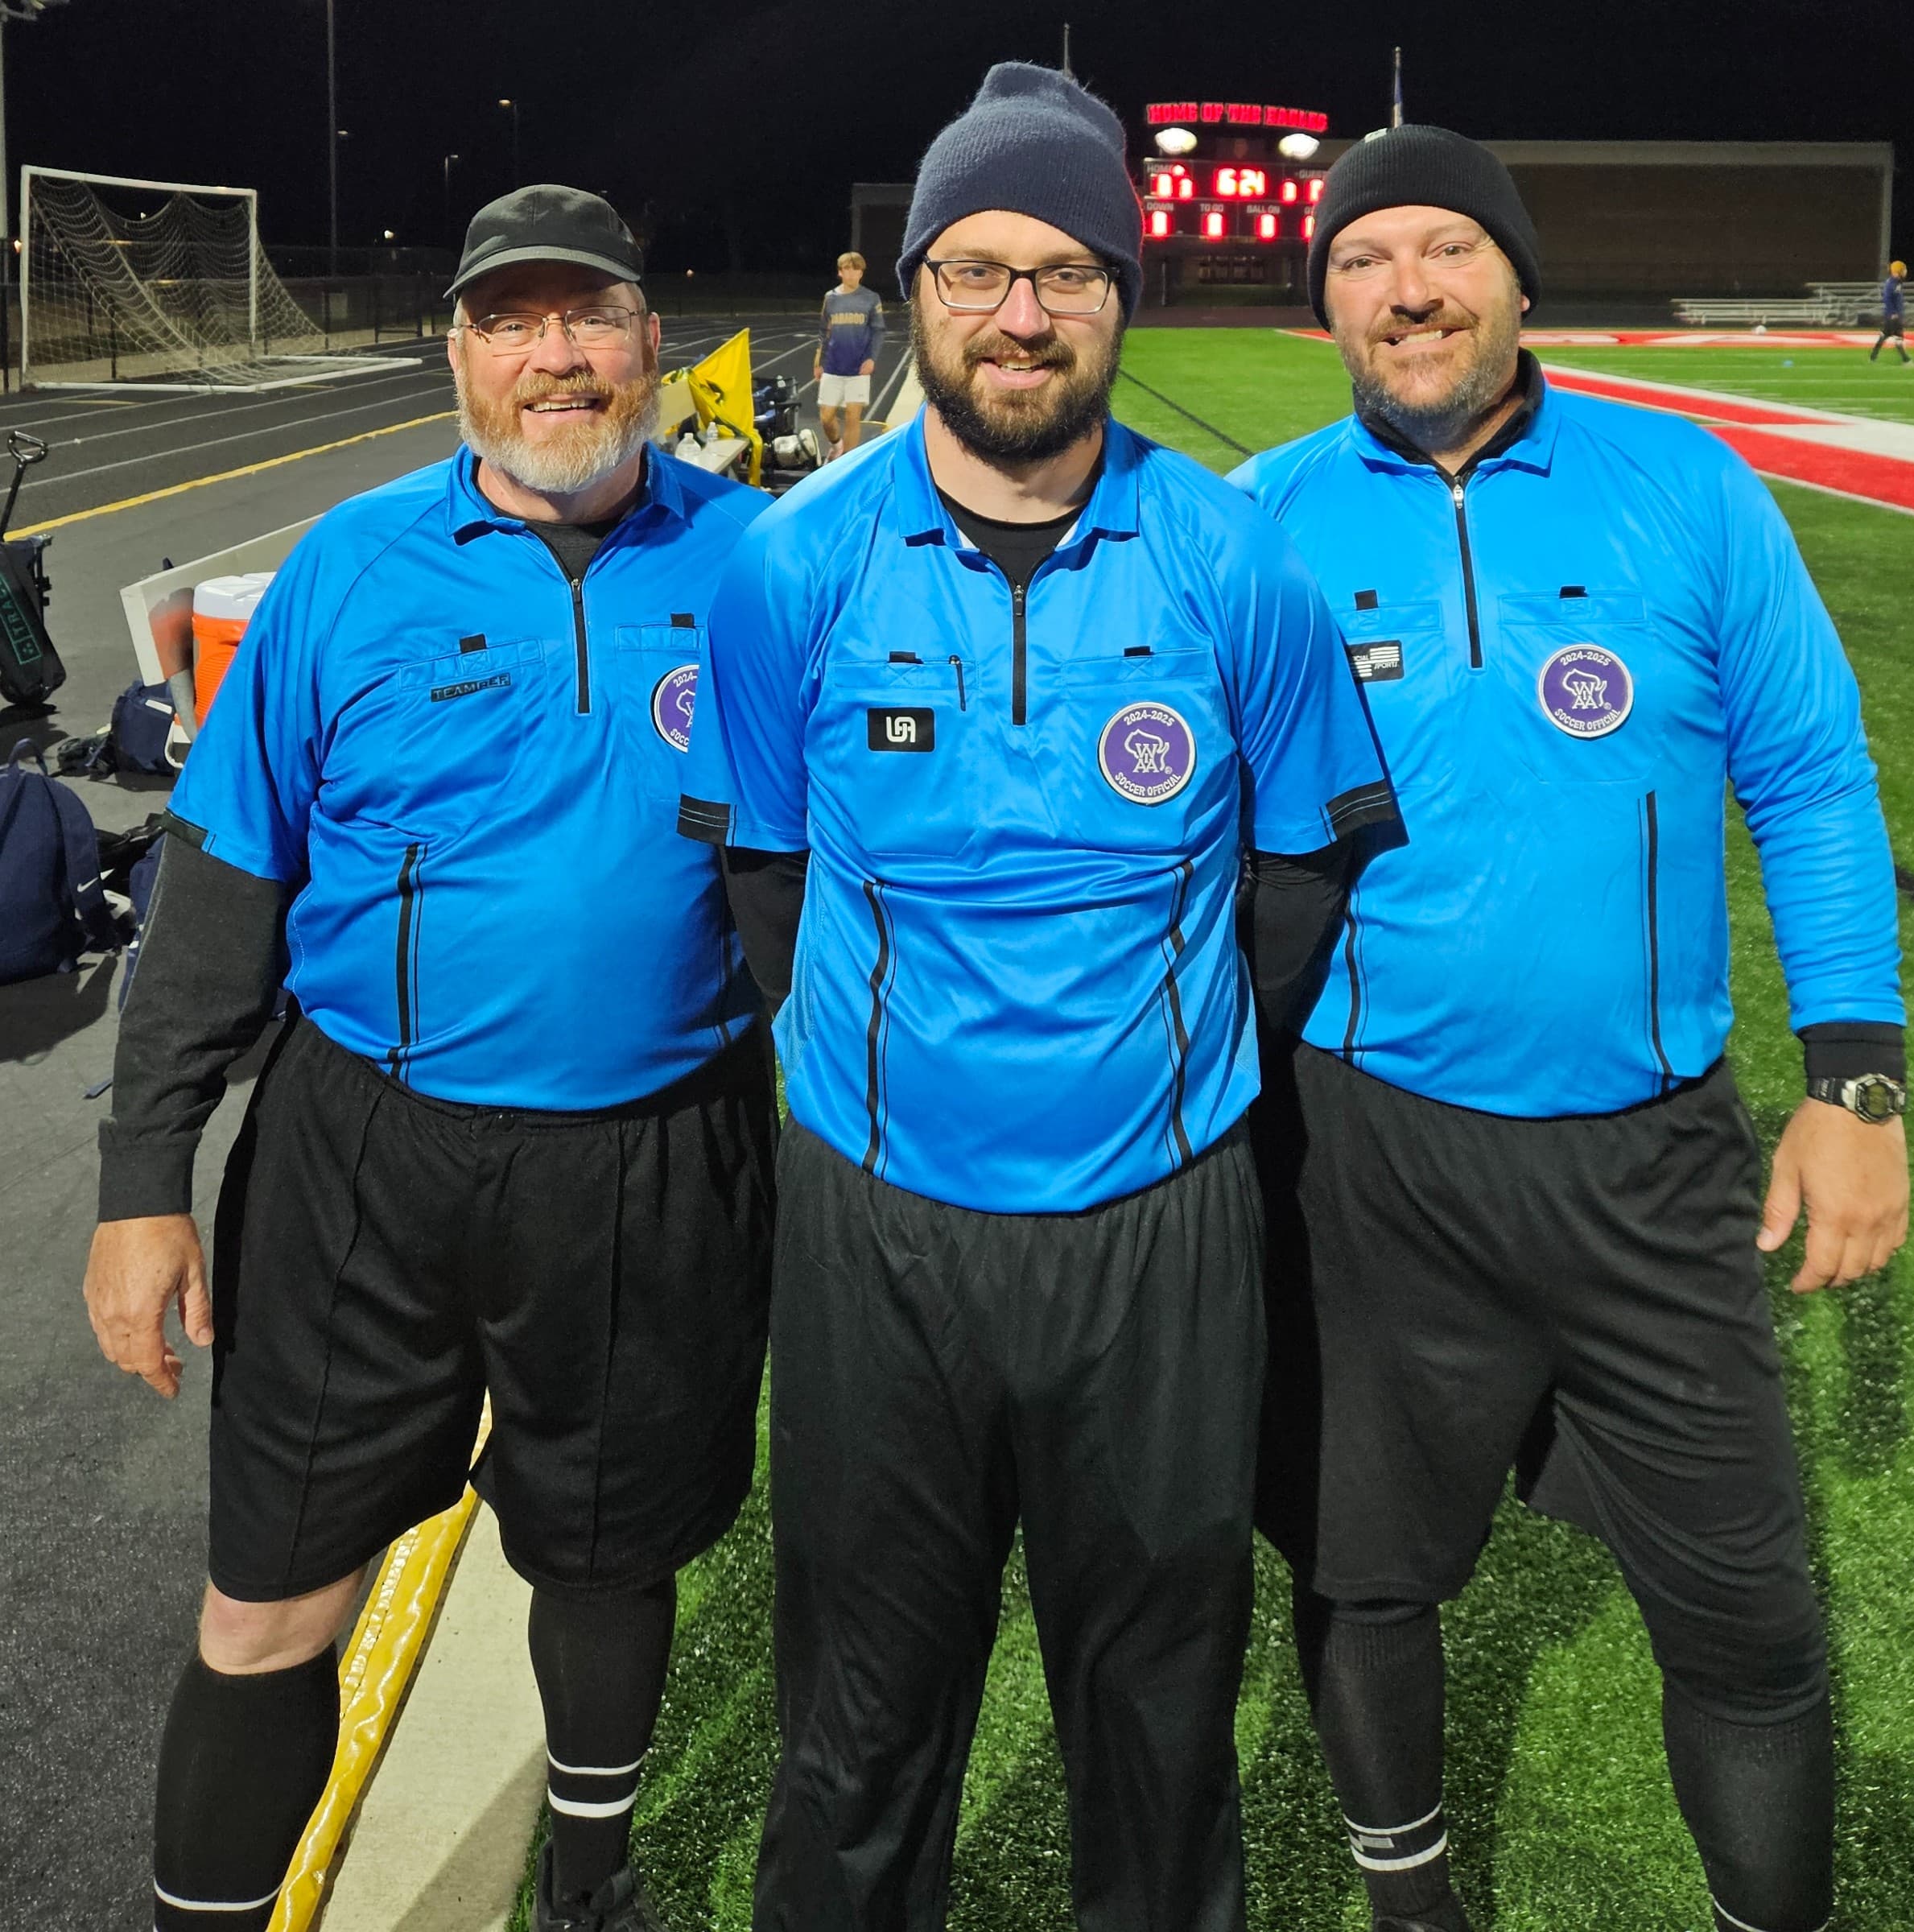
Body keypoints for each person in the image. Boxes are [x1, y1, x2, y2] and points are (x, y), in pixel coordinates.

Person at [679, 62, 1396, 1932]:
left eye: (1068, 270)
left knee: (1158, 1717)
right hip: (877, 1222)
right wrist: (892, 1072)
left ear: (1120, 294)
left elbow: (1301, 871)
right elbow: (763, 872)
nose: (1021, 313)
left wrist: (1161, 1073)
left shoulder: (1236, 558)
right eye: (978, 268)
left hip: (1161, 1227)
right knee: (858, 1716)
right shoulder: (790, 562)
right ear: (912, 287)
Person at [1231, 126, 1908, 1932]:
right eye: (1364, 260)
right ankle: (1414, 1909)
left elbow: (1812, 778)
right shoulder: (1261, 521)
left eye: (1448, 247)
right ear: (1328, 305)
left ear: (1520, 279)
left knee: (1750, 1618)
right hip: (1367, 1153)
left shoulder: (1682, 485)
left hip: (1654, 1155)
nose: (1409, 290)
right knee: (1366, 1574)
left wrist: (1855, 1081)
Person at [82, 185, 778, 1932]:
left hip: (656, 1153)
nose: (556, 356)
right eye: (509, 321)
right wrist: (142, 1183)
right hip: (364, 1159)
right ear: (459, 355)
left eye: (588, 314)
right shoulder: (348, 566)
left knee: (608, 1553)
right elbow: (222, 886)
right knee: (267, 1600)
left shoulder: (765, 563)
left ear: (650, 343)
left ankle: (589, 1885)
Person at [813, 250, 884, 457]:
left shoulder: (871, 298)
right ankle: (837, 445)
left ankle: (846, 461)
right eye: (847, 269)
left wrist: (872, 359)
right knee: (826, 418)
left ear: (861, 273)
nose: (852, 274)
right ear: (840, 272)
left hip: (858, 368)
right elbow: (823, 331)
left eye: (856, 270)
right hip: (832, 366)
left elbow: (878, 331)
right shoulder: (830, 298)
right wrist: (818, 361)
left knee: (853, 417)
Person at [1870, 258, 1911, 363]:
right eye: (1903, 270)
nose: (1905, 272)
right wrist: (1893, 313)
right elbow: (1887, 299)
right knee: (1897, 336)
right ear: (1897, 271)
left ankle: (1873, 356)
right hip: (1893, 315)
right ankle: (1905, 359)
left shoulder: (1897, 282)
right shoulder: (1891, 284)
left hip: (1895, 314)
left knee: (1886, 335)